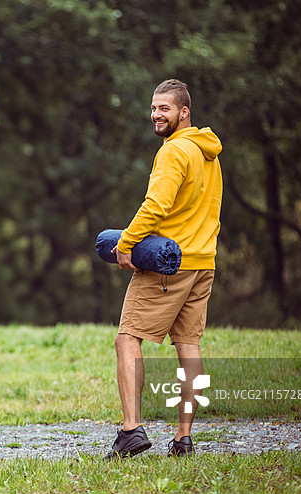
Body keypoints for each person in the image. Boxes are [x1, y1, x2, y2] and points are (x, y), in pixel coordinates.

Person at [104, 79, 223, 460]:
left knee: (128, 338)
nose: (156, 115)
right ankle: (183, 438)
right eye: (154, 108)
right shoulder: (209, 153)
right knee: (188, 345)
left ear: (183, 112)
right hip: (203, 261)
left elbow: (156, 204)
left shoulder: (174, 152)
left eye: (165, 109)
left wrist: (126, 243)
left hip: (169, 263)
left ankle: (131, 430)